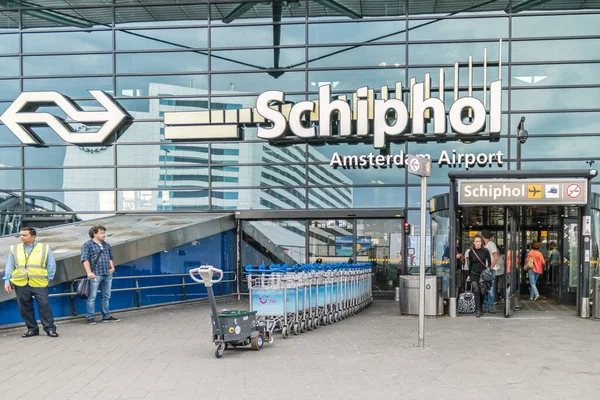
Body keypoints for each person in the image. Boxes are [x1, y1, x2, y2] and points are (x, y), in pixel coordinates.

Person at [3, 227, 58, 338]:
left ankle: (50, 329)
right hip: (21, 282)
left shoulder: (44, 248)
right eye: (20, 235)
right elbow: (10, 265)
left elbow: (51, 265)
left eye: (24, 235)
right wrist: (7, 280)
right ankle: (32, 329)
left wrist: (48, 278)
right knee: (24, 307)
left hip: (39, 282)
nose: (21, 237)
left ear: (33, 236)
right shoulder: (15, 248)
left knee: (44, 305)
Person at [81, 225, 120, 324]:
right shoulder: (87, 245)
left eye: (104, 233)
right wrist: (89, 272)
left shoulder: (106, 245)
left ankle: (106, 316)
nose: (104, 235)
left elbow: (110, 257)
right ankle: (89, 317)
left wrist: (112, 267)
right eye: (101, 233)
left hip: (107, 273)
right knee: (92, 297)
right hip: (95, 274)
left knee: (106, 296)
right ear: (95, 234)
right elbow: (85, 260)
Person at [466, 235, 491, 318]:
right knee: (476, 290)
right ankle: (478, 309)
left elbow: (489, 263)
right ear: (473, 242)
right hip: (474, 273)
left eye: (479, 241)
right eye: (476, 241)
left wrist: (488, 271)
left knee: (483, 292)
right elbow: (470, 264)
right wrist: (469, 275)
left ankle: (480, 306)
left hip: (483, 274)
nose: (478, 243)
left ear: (481, 242)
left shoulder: (485, 251)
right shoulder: (471, 252)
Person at [481, 230, 499, 313]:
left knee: (490, 289)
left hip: (490, 269)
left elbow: (496, 257)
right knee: (486, 288)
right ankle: (486, 306)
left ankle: (490, 306)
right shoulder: (487, 245)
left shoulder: (491, 245)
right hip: (487, 269)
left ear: (483, 237)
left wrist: (490, 267)